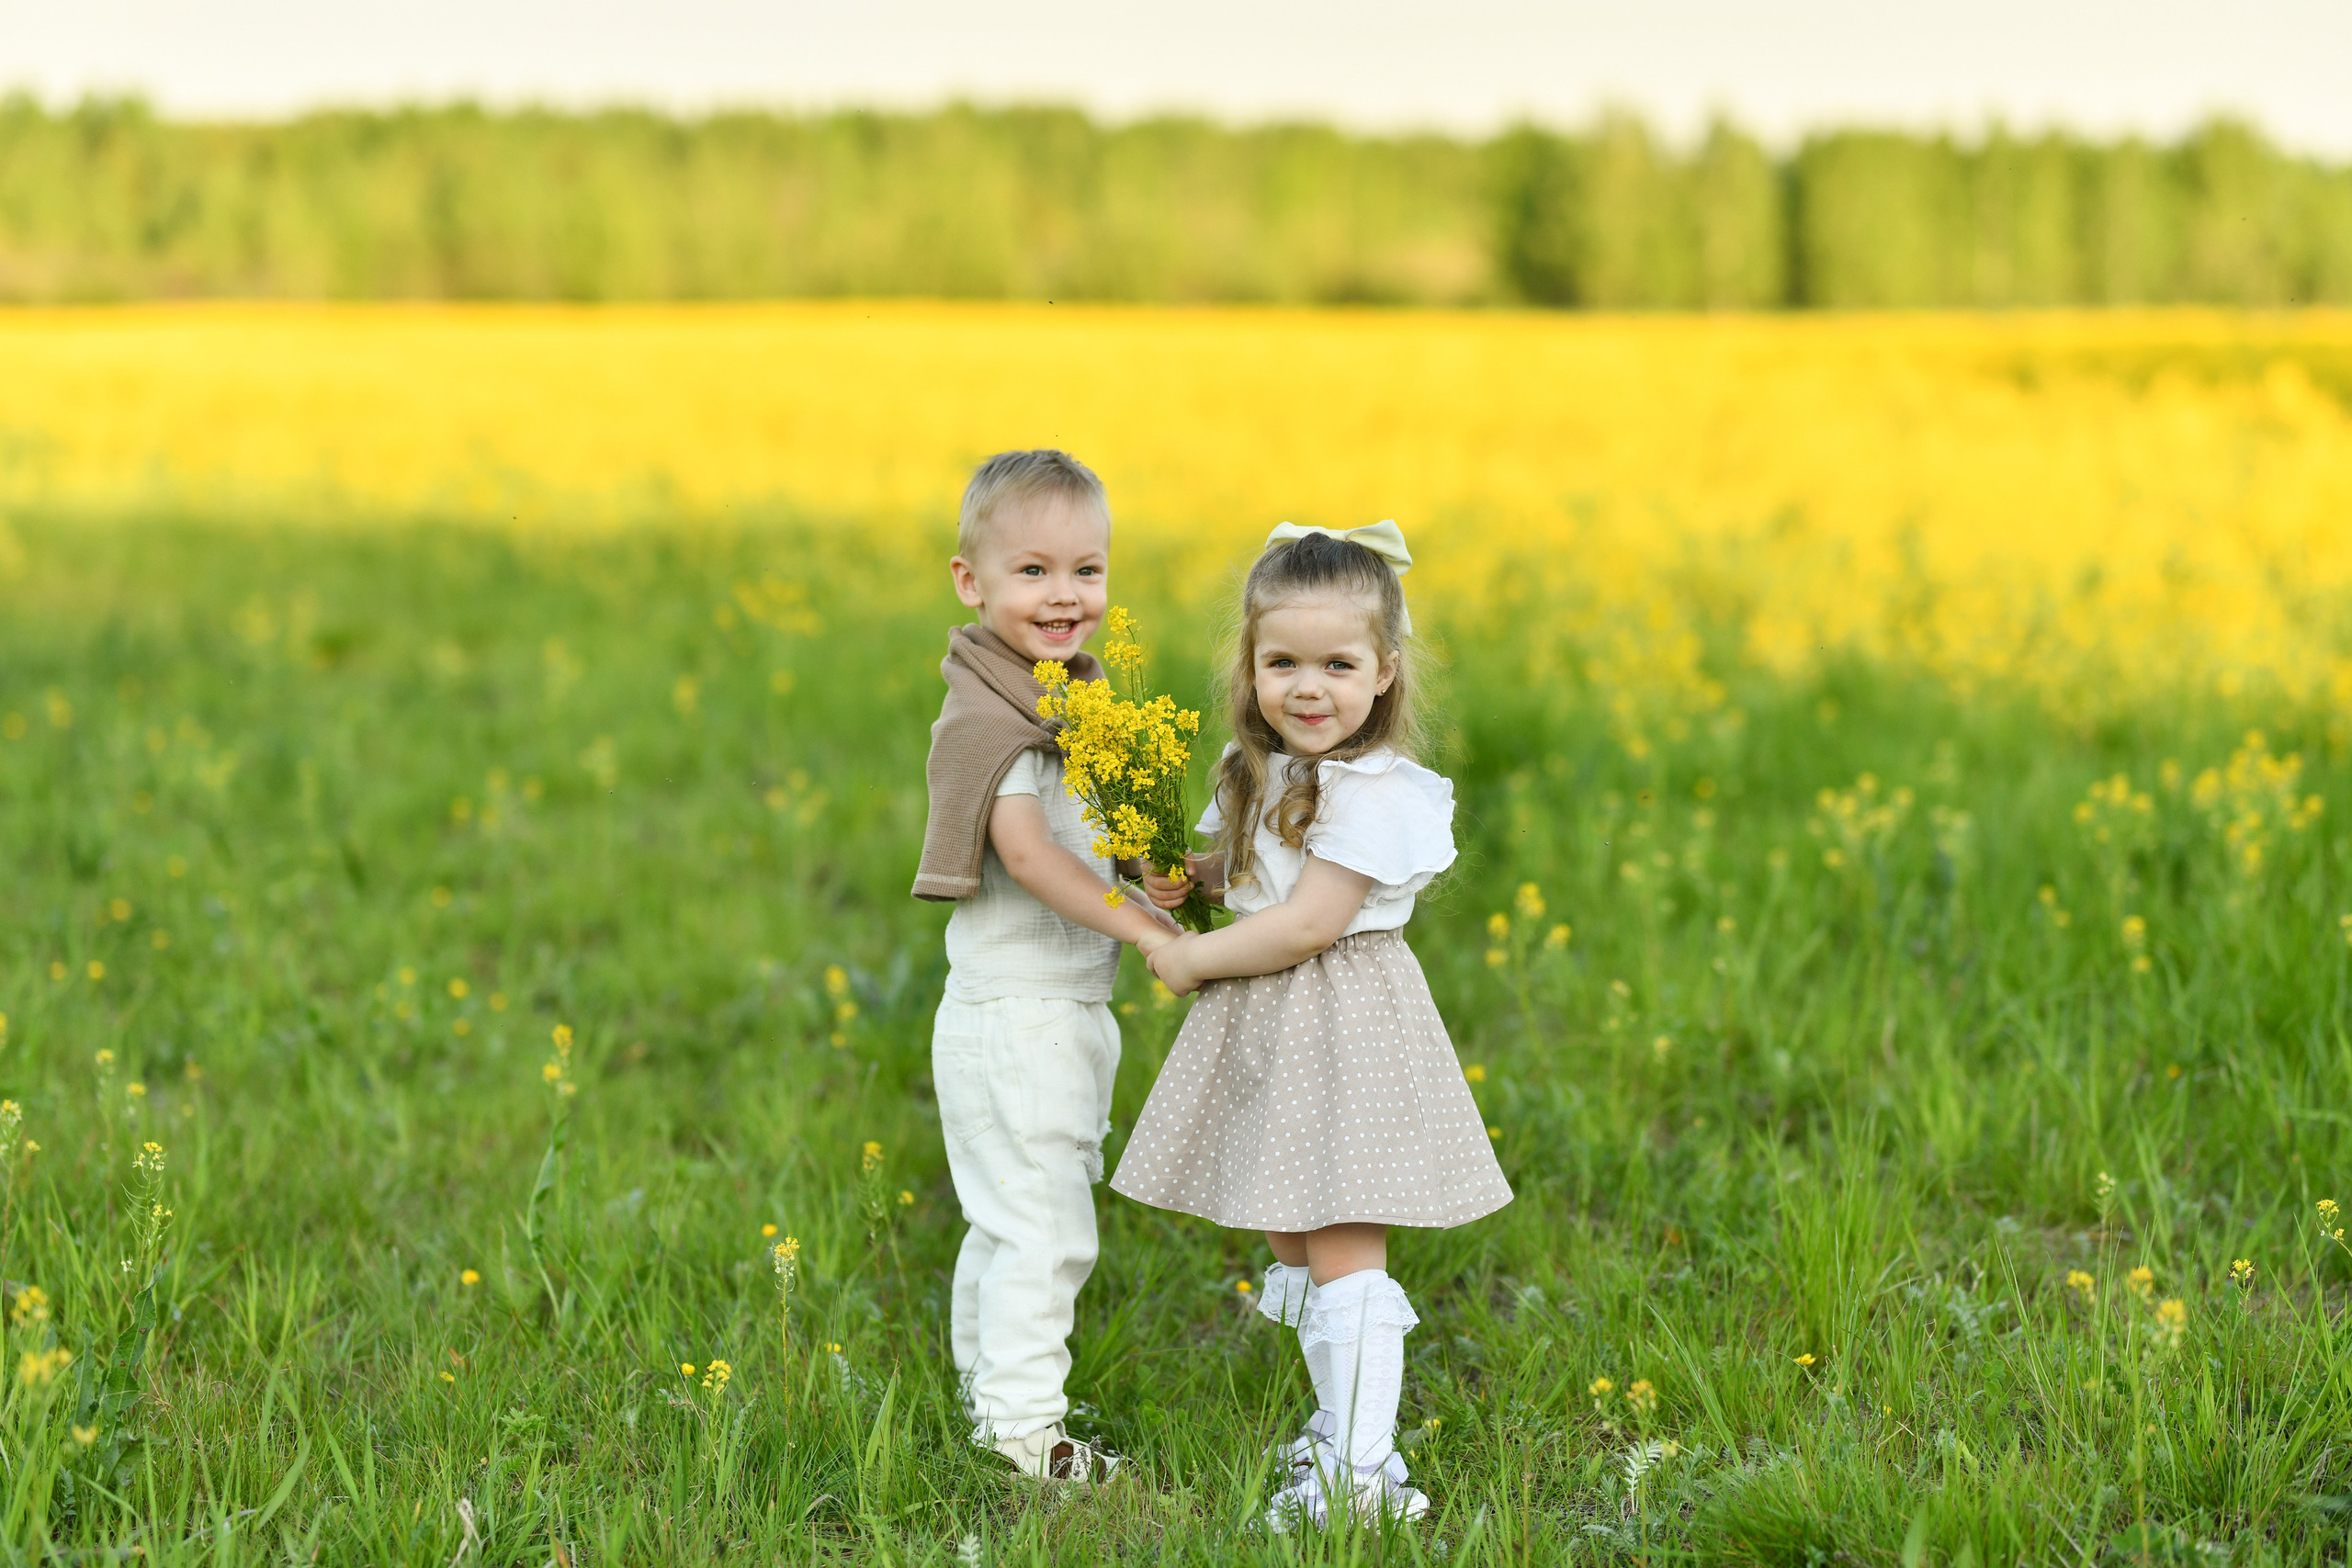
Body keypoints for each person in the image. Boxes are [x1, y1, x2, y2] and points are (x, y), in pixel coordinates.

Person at [1114, 522, 1511, 1528]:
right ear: (1247, 668)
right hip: (1277, 1024)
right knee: (1290, 1227)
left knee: (1339, 1233)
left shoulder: (1374, 792)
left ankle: (1362, 1475)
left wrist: (1187, 953)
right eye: (1281, 661)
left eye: (1337, 665)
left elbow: (1308, 922)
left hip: (1342, 1024)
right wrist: (1183, 878)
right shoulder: (1260, 770)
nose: (1308, 687)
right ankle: (1338, 1427)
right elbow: (1251, 885)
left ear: (1383, 673)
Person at [911, 449, 1178, 1483]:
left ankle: (993, 1409)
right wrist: (1147, 932)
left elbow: (1095, 839)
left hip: (1042, 1012)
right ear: (970, 583)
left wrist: (1155, 870)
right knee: (1043, 1230)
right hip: (1017, 1017)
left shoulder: (1066, 704)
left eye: (1087, 570)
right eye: (1032, 572)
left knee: (1011, 1220)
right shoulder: (999, 722)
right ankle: (1029, 1433)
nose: (1064, 595)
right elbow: (1025, 854)